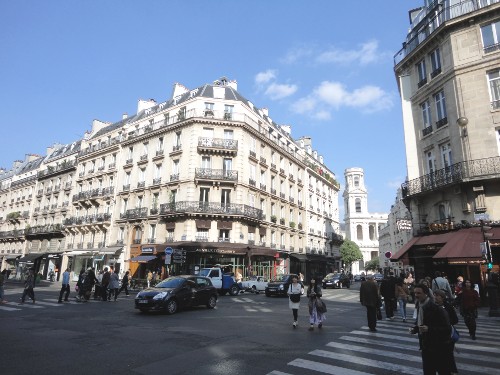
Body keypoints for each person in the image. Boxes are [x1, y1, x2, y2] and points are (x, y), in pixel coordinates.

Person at [410, 283, 453, 375]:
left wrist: (429, 329)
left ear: (425, 293)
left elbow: (447, 328)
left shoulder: (436, 308)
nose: (416, 295)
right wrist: (415, 329)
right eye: (415, 293)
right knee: (428, 371)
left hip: (439, 346)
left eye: (419, 293)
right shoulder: (420, 306)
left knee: (443, 371)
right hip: (426, 345)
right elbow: (421, 323)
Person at [433, 289, 458, 375]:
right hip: (437, 335)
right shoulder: (433, 307)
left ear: (442, 297)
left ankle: (452, 370)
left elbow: (455, 320)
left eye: (437, 296)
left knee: (448, 354)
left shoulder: (448, 306)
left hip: (447, 335)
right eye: (434, 295)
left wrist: (446, 322)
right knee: (441, 355)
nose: (435, 298)